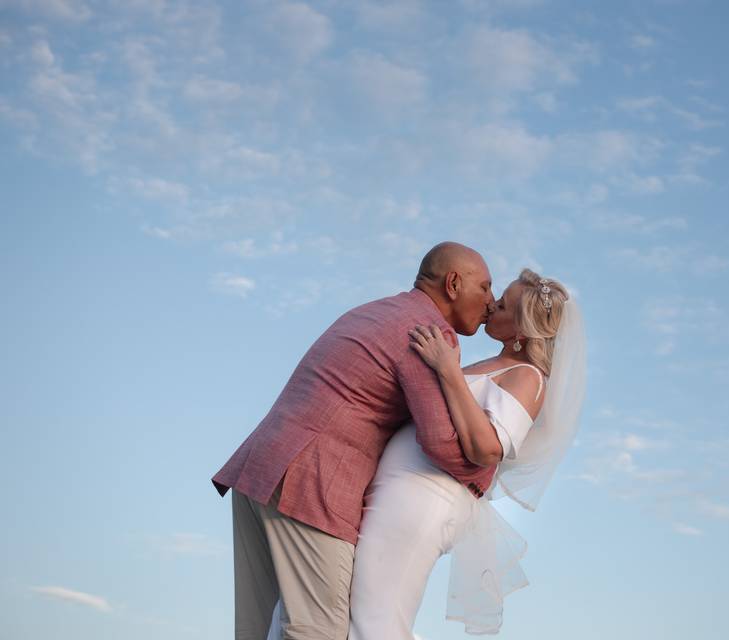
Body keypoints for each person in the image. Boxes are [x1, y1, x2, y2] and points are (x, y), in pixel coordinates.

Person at [267, 268, 587, 639]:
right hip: (395, 491)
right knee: (335, 603)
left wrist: (448, 371)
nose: (490, 305)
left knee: (376, 617)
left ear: (520, 328)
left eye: (501, 305)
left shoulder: (527, 377)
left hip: (424, 499)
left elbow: (488, 448)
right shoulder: (491, 366)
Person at [211, 241, 497, 640]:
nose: (491, 303)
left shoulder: (380, 310)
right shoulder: (432, 334)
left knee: (256, 631)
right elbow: (439, 442)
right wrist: (489, 465)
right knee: (318, 630)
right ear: (453, 284)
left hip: (260, 468)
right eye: (484, 287)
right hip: (310, 483)